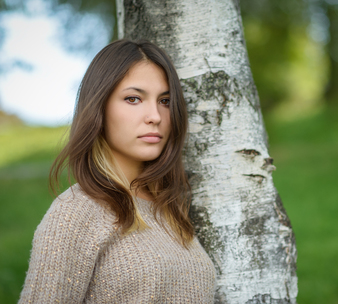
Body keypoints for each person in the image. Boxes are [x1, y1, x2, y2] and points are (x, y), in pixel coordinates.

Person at [19, 39, 216, 303]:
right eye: (133, 99)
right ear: (99, 107)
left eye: (165, 100)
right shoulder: (76, 212)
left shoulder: (170, 210)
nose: (155, 116)